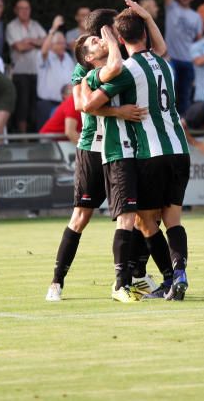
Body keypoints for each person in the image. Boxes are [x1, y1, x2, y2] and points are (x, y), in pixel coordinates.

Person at [81, 1, 191, 302]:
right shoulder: (164, 63)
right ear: (145, 33)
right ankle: (178, 274)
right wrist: (145, 16)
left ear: (118, 39)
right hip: (180, 149)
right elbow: (162, 46)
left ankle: (162, 279)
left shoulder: (126, 71)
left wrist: (116, 110)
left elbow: (88, 105)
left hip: (151, 153)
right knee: (173, 219)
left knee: (144, 221)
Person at [46, 19, 150, 302]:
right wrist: (119, 112)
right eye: (97, 38)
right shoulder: (85, 67)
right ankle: (56, 281)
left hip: (123, 148)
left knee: (139, 215)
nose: (102, 40)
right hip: (94, 146)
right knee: (81, 217)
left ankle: (136, 276)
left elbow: (158, 49)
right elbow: (82, 104)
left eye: (104, 36)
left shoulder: (123, 56)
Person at [163, 0, 203, 116]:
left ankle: (185, 127)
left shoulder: (196, 17)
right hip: (171, 58)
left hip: (189, 60)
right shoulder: (171, 8)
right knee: (169, 91)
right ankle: (169, 120)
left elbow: (199, 40)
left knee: (186, 96)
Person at [6, 0, 47, 133]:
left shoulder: (35, 24)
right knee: (22, 105)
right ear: (16, 10)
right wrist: (36, 42)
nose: (24, 11)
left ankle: (36, 133)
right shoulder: (11, 26)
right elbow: (19, 47)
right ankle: (23, 136)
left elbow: (46, 42)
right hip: (20, 71)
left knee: (35, 104)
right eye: (21, 8)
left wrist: (29, 41)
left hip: (37, 71)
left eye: (27, 8)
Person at [36, 17, 75, 127]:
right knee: (46, 138)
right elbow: (44, 50)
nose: (62, 45)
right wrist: (53, 29)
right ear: (51, 45)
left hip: (65, 103)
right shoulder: (44, 57)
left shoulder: (67, 57)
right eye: (59, 43)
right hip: (47, 104)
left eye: (63, 43)